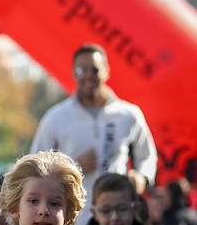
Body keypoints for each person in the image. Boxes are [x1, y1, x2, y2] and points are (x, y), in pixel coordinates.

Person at [30, 44, 156, 209]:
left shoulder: (128, 114)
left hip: (116, 218)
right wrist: (71, 170)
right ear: (74, 74)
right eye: (82, 70)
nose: (89, 75)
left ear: (106, 71)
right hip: (73, 221)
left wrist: (142, 178)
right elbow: (35, 168)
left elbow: (147, 155)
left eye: (95, 69)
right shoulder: (56, 117)